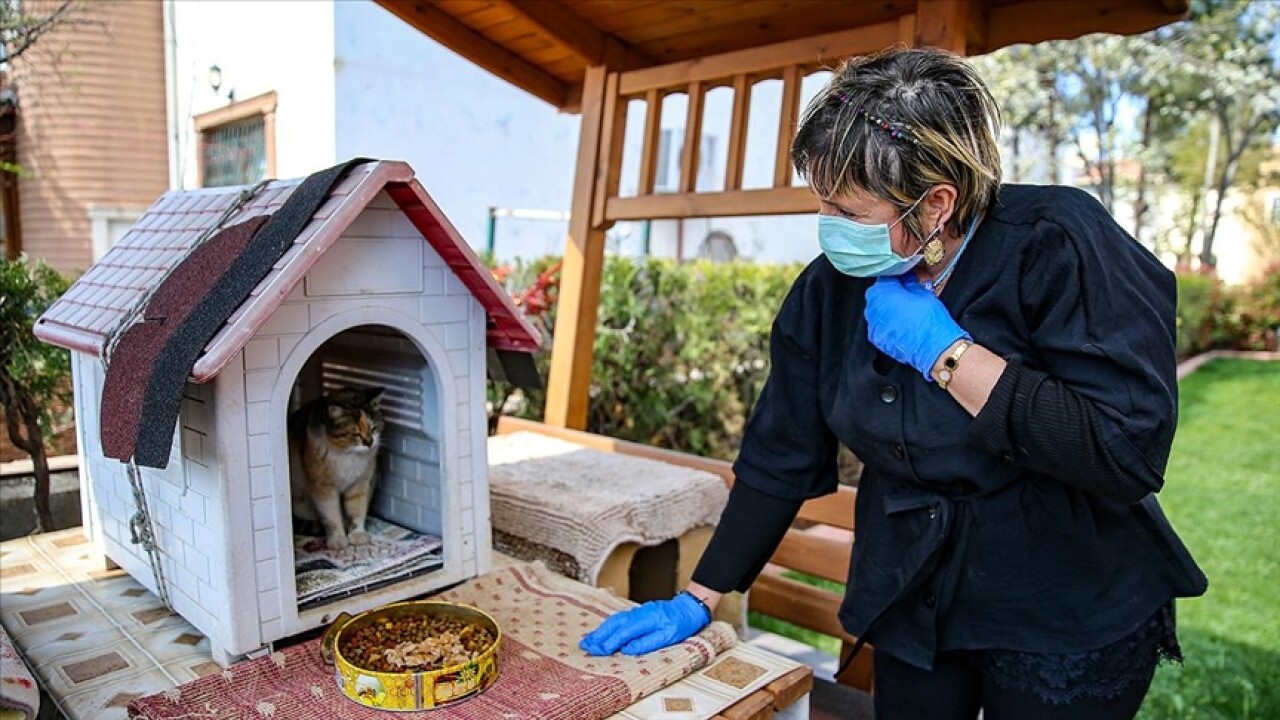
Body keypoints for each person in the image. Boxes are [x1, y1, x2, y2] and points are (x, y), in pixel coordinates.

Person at [579, 47, 1207, 719]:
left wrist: (948, 353)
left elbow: (1124, 450)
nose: (827, 229)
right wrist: (699, 596)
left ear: (937, 203)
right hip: (911, 597)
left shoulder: (1058, 242)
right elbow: (779, 459)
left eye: (848, 210)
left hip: (1061, 603)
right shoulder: (827, 294)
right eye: (821, 201)